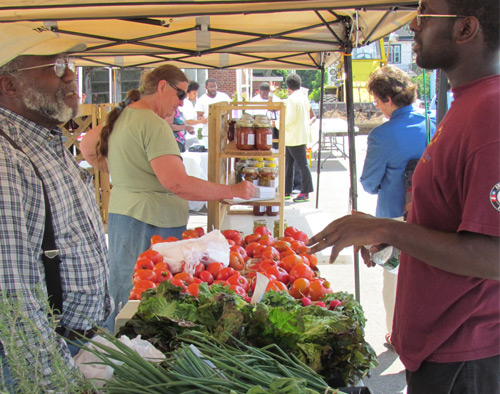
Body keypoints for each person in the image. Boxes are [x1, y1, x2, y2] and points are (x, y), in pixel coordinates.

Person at [308, 0, 500, 392]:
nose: (413, 25)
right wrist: (392, 234)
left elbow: (493, 255)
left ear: (465, 29)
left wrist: (388, 229)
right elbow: (450, 220)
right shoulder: (466, 102)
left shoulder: (492, 112)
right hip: (439, 343)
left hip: (465, 350)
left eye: (426, 14)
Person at [80, 65, 255, 333]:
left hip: (123, 215)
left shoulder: (123, 116)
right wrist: (232, 191)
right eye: (180, 94)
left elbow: (87, 144)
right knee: (148, 301)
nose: (181, 102)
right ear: (162, 86)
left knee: (124, 290)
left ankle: (117, 346)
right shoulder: (153, 124)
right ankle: (137, 354)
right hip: (150, 222)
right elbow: (178, 183)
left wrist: (122, 172)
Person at [0, 25, 110, 390]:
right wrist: (57, 383)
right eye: (57, 65)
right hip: (39, 360)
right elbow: (13, 300)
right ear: (9, 85)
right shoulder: (5, 159)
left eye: (72, 63)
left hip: (70, 343)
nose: (71, 75)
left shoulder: (43, 139)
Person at [360, 65, 435, 345]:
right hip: (432, 215)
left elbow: (368, 183)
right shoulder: (435, 122)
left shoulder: (382, 135)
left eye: (377, 101)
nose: (377, 106)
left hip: (394, 218)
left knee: (394, 278)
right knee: (429, 276)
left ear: (388, 100)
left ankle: (397, 334)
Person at [284, 73, 314, 203]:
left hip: (293, 136)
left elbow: (290, 118)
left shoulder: (291, 99)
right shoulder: (303, 97)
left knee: (301, 165)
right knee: (290, 164)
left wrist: (278, 124)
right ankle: (286, 190)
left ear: (288, 86)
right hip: (299, 135)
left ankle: (305, 192)